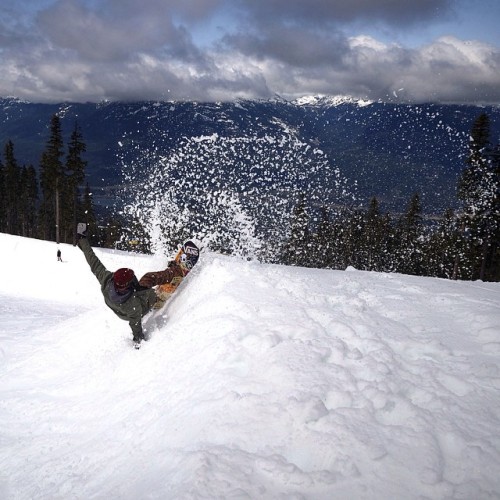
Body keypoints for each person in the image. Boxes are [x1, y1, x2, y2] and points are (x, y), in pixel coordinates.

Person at [76, 223, 185, 348]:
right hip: (141, 307)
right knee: (149, 279)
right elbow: (135, 323)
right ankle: (176, 274)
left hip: (121, 308)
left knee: (145, 282)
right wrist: (138, 340)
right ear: (127, 285)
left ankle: (164, 279)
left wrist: (82, 239)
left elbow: (93, 261)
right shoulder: (132, 305)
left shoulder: (106, 280)